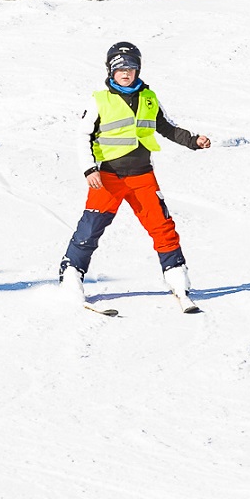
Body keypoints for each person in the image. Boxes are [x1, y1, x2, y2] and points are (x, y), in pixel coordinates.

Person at [59, 42, 212, 314]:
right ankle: (72, 274)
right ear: (110, 71)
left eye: (130, 68)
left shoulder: (149, 97)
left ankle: (177, 278)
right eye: (120, 69)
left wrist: (193, 140)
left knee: (162, 227)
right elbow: (83, 135)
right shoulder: (99, 99)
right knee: (90, 228)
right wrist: (89, 169)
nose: (126, 73)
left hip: (143, 177)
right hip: (107, 177)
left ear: (138, 69)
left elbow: (166, 126)